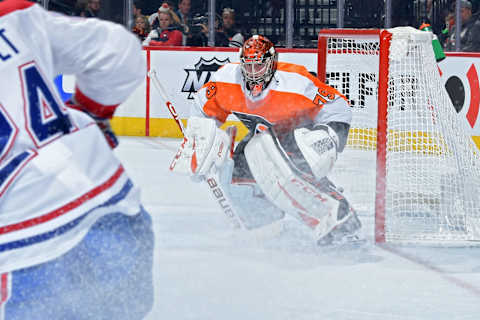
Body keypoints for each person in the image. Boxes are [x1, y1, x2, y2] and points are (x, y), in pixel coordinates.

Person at [0, 0, 154, 318]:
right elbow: (119, 50)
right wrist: (92, 114)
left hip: (27, 246)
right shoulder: (13, 14)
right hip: (112, 207)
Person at [170, 35, 362, 245]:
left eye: (259, 66)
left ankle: (342, 221)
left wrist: (330, 136)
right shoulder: (226, 80)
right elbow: (202, 107)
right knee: (237, 176)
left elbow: (336, 105)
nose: (253, 73)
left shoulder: (295, 82)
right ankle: (265, 223)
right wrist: (199, 141)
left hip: (298, 135)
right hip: (262, 137)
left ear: (271, 63)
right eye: (248, 66)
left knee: (289, 175)